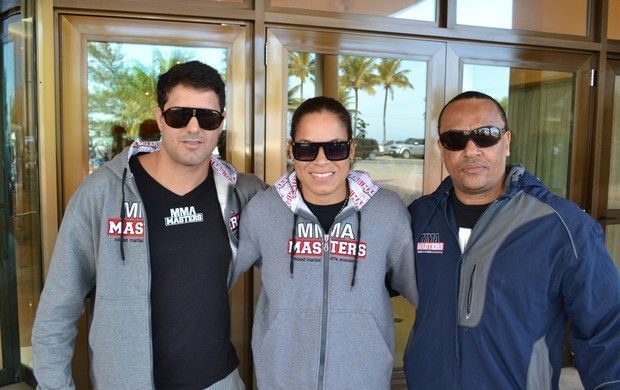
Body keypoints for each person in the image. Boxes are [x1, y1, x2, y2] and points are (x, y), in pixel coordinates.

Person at [32, 61, 266, 389]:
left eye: (208, 117)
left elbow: (300, 250)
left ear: (221, 123)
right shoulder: (104, 192)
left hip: (219, 381)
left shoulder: (244, 193)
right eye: (179, 115)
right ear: (160, 118)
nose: (193, 128)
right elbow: (59, 304)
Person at [404, 91, 620, 389]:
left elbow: (607, 331)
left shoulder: (562, 226)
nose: (471, 150)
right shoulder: (420, 217)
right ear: (442, 148)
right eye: (455, 139)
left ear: (506, 142)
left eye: (485, 136)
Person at [230, 96, 417, 389]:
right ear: (291, 150)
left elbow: (422, 291)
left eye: (335, 148)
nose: (321, 160)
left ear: (352, 150)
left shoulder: (387, 211)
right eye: (307, 148)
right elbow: (217, 273)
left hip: (363, 380)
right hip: (282, 379)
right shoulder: (264, 210)